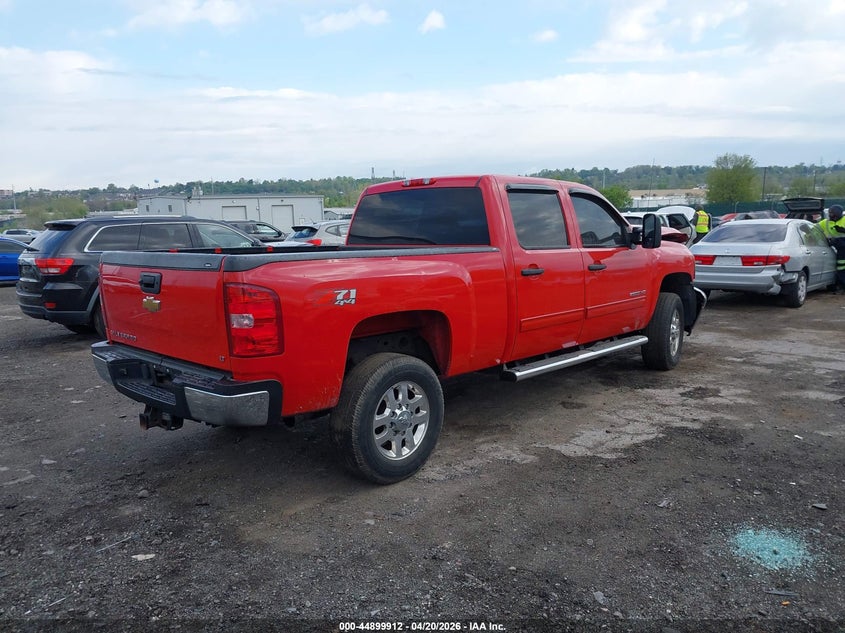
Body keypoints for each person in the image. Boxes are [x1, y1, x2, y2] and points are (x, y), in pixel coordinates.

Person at [820, 204, 845, 292]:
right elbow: (814, 229)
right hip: (834, 248)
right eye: (830, 213)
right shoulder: (825, 222)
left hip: (842, 246)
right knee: (840, 267)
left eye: (832, 213)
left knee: (841, 267)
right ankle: (840, 285)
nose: (831, 215)